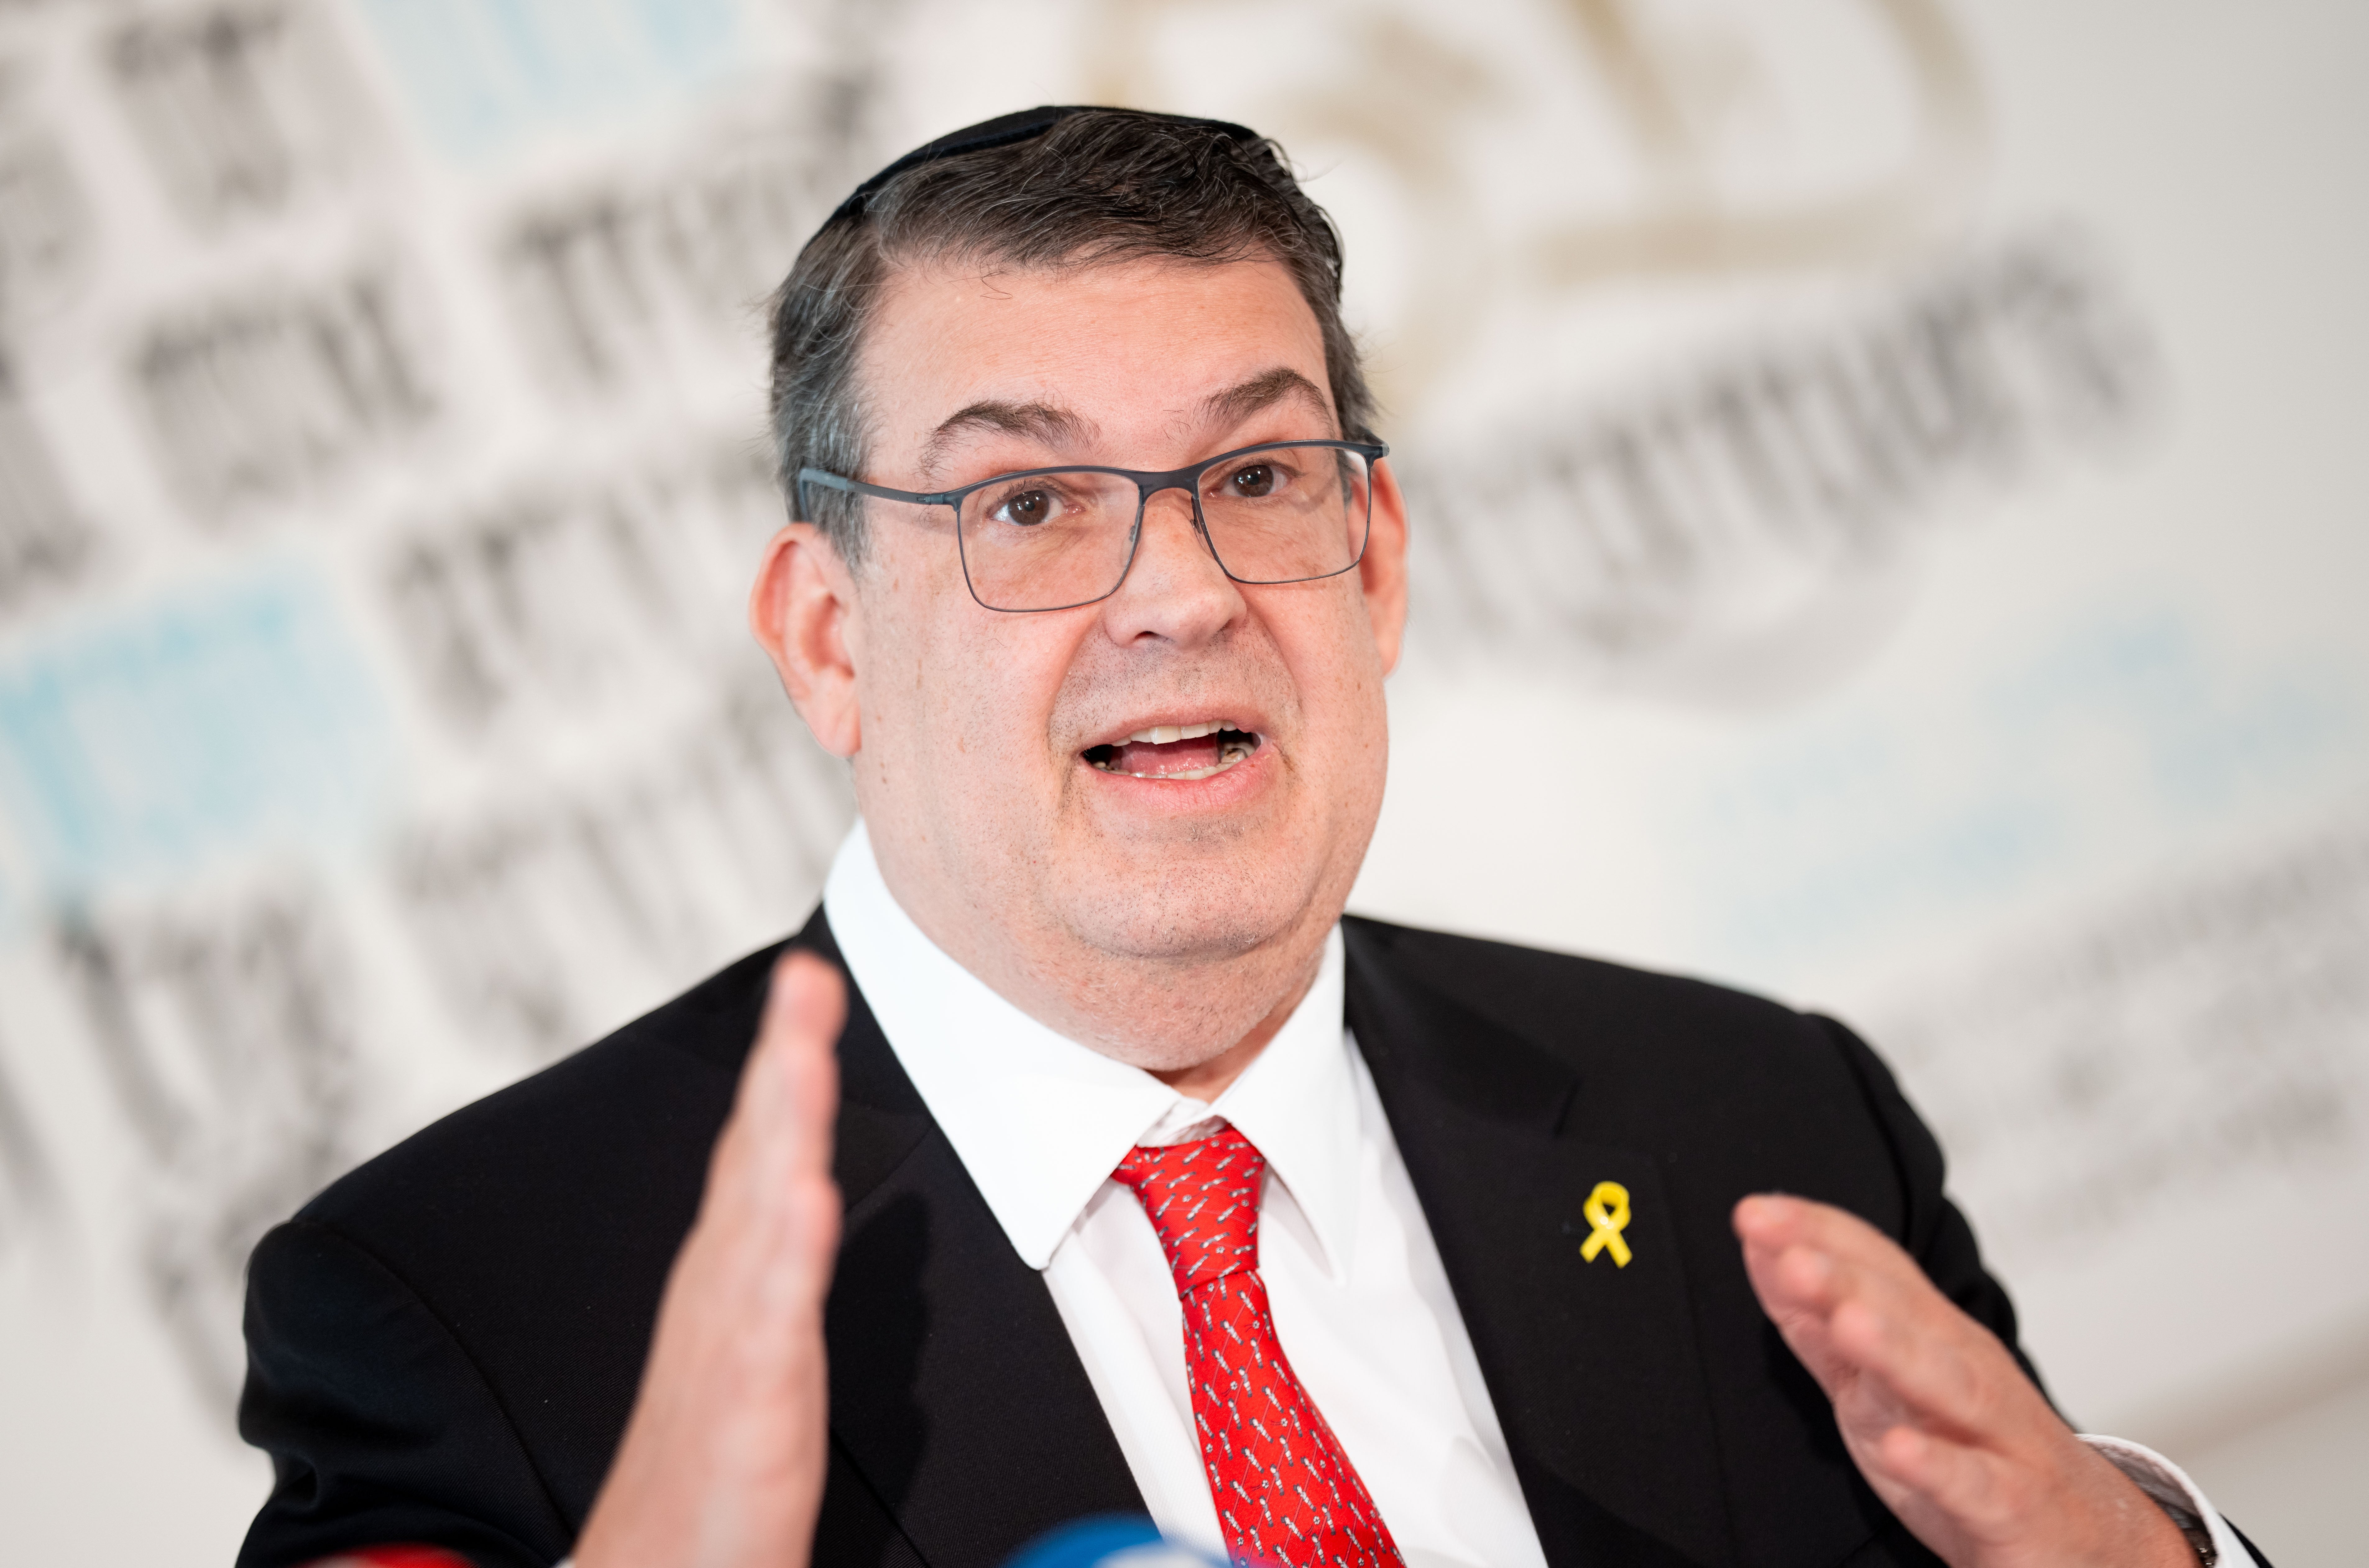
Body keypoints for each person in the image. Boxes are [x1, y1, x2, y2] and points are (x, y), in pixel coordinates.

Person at [235, 107, 2265, 1568]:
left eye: (1258, 475)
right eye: (1029, 506)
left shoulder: (1757, 1118)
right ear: (830, 637)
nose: (1179, 592)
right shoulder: (476, 1304)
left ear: (1372, 563)